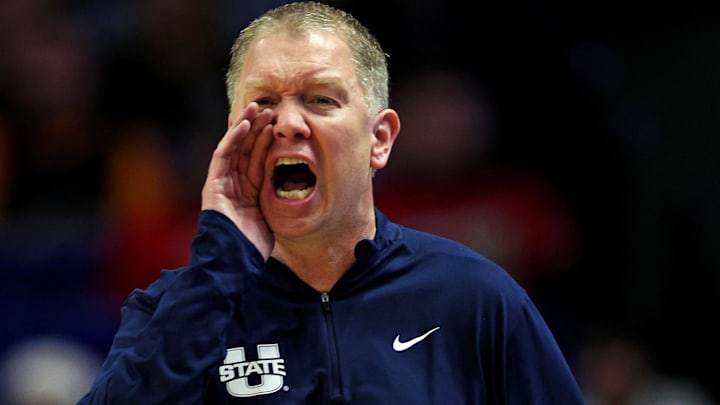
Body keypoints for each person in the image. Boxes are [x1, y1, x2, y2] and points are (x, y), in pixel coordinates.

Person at [79, 2, 584, 403]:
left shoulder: (475, 298)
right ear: (231, 135)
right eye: (264, 103)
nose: (289, 124)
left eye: (321, 99)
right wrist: (218, 267)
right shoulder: (175, 310)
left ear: (379, 139)